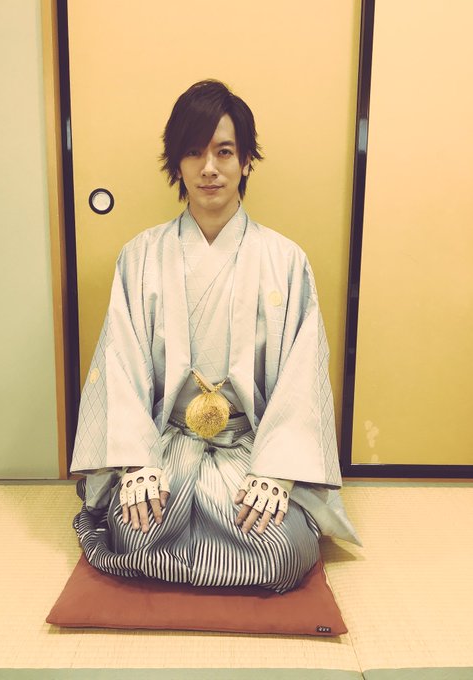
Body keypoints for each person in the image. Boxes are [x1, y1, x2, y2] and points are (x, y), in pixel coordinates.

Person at [70, 80, 359, 594]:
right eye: (193, 151)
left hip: (251, 446)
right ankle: (177, 525)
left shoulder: (285, 260)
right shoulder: (140, 256)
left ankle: (211, 540)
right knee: (136, 530)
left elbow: (302, 378)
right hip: (167, 443)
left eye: (224, 151)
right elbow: (119, 364)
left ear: (246, 160)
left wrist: (278, 472)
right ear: (176, 163)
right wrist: (136, 463)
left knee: (282, 549)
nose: (209, 168)